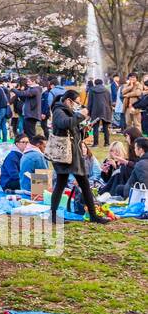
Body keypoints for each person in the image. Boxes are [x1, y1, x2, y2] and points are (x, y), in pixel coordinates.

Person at [49, 89, 103, 226]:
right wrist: (81, 115)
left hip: (73, 155)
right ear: (68, 101)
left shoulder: (68, 112)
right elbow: (64, 124)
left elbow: (73, 131)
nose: (78, 106)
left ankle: (92, 215)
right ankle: (55, 216)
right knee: (62, 185)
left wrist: (84, 130)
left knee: (83, 184)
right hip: (65, 155)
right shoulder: (58, 111)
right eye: (76, 103)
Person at [87, 77, 113, 146]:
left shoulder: (92, 90)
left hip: (95, 110)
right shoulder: (107, 90)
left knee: (95, 127)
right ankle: (107, 143)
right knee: (105, 127)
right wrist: (110, 111)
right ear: (102, 83)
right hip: (105, 110)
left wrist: (89, 112)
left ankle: (95, 143)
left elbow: (90, 102)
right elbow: (110, 101)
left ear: (95, 83)